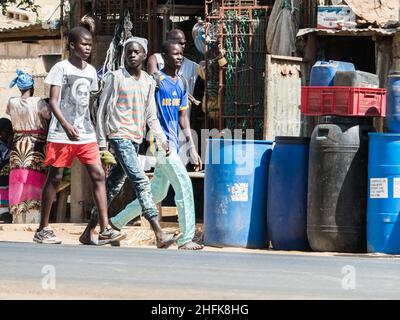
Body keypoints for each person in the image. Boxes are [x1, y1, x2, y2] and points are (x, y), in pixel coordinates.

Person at [79, 37, 182, 248]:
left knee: (113, 186)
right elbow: (102, 111)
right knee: (141, 181)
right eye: (129, 52)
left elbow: (151, 115)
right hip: (119, 136)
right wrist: (101, 143)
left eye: (136, 52)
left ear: (144, 55)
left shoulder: (148, 81)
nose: (132, 55)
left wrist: (162, 140)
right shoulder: (114, 78)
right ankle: (159, 234)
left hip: (135, 139)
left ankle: (89, 230)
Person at [33, 26, 125, 244]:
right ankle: (42, 229)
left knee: (98, 175)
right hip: (61, 134)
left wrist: (98, 134)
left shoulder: (91, 72)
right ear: (72, 45)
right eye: (83, 44)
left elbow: (89, 105)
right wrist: (65, 125)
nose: (87, 48)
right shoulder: (60, 68)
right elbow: (53, 102)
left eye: (90, 44)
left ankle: (104, 229)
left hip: (85, 134)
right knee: (54, 178)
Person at [110, 40, 204, 250]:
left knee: (157, 194)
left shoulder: (181, 83)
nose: (179, 57)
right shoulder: (156, 81)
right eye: (175, 54)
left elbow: (182, 118)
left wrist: (192, 147)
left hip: (173, 144)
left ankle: (116, 222)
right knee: (184, 185)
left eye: (181, 53)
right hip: (159, 142)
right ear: (164, 57)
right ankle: (185, 238)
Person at [6, 69, 50, 224]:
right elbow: (48, 116)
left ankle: (18, 217)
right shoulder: (39, 102)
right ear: (32, 87)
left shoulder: (12, 102)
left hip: (18, 146)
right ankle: (34, 215)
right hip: (35, 145)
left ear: (19, 88)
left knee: (19, 178)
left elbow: (9, 113)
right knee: (35, 177)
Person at [0, 118, 12, 223]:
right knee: (3, 190)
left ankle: (5, 212)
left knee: (5, 191)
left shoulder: (8, 142)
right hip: (2, 175)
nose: (7, 134)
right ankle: (3, 213)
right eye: (6, 132)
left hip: (6, 174)